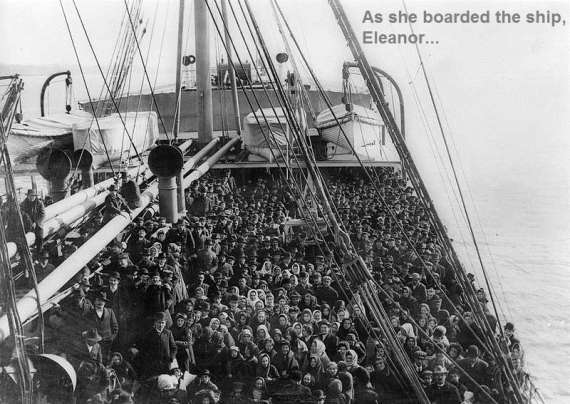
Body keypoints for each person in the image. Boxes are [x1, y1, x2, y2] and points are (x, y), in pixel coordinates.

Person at [137, 311, 177, 377]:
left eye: (162, 323)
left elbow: (174, 347)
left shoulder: (168, 333)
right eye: (159, 322)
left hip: (165, 364)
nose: (161, 325)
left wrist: (171, 358)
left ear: (165, 323)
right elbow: (144, 349)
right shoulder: (149, 334)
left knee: (165, 381)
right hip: (153, 364)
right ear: (155, 323)